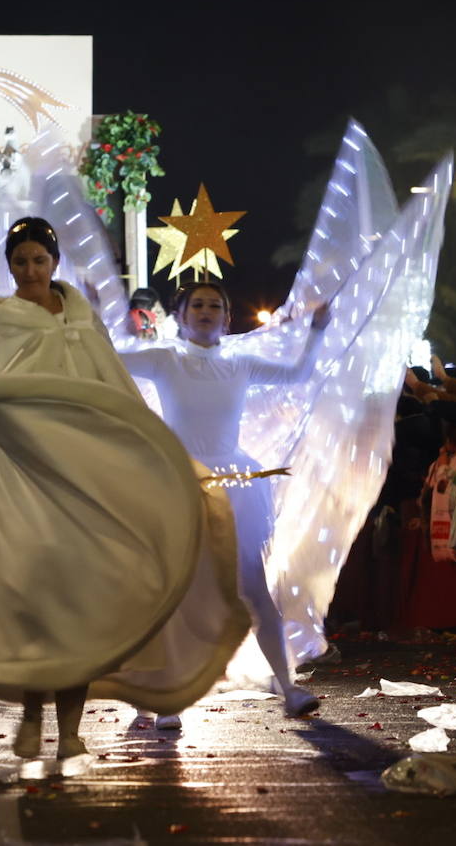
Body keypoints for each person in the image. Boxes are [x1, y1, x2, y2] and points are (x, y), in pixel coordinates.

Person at [0, 218, 249, 761]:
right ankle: (29, 718)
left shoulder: (83, 324)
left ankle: (70, 730)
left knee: (81, 604)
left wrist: (147, 455)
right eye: (20, 261)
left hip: (84, 483)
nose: (29, 271)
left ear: (53, 263)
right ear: (9, 265)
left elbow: (115, 392)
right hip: (24, 479)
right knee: (31, 600)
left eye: (38, 260)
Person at [121, 281, 329, 722]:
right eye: (197, 304)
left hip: (235, 485)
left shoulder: (239, 364)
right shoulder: (165, 358)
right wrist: (86, 313)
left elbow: (297, 374)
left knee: (253, 587)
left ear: (226, 317)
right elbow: (108, 357)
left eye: (215, 305)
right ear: (180, 314)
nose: (206, 311)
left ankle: (289, 688)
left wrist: (316, 331)